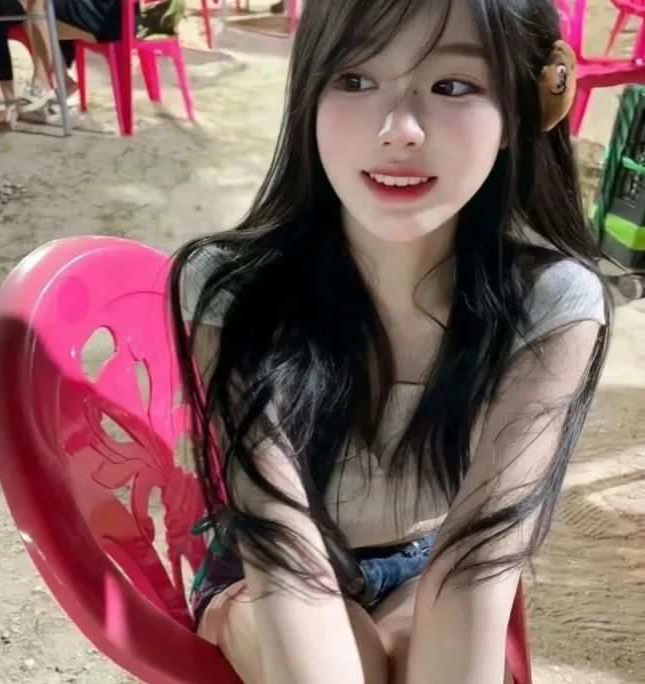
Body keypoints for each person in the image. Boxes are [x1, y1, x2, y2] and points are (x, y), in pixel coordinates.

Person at [169, 1, 612, 682]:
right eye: (354, 80)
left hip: (426, 561)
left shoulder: (550, 306)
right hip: (260, 570)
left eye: (452, 85)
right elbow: (278, 541)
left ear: (520, 113)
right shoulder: (233, 289)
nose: (398, 130)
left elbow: (476, 563)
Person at [0, 0, 126, 119]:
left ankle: (45, 81)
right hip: (111, 15)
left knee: (33, 6)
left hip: (109, 16)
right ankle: (56, 81)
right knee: (4, 9)